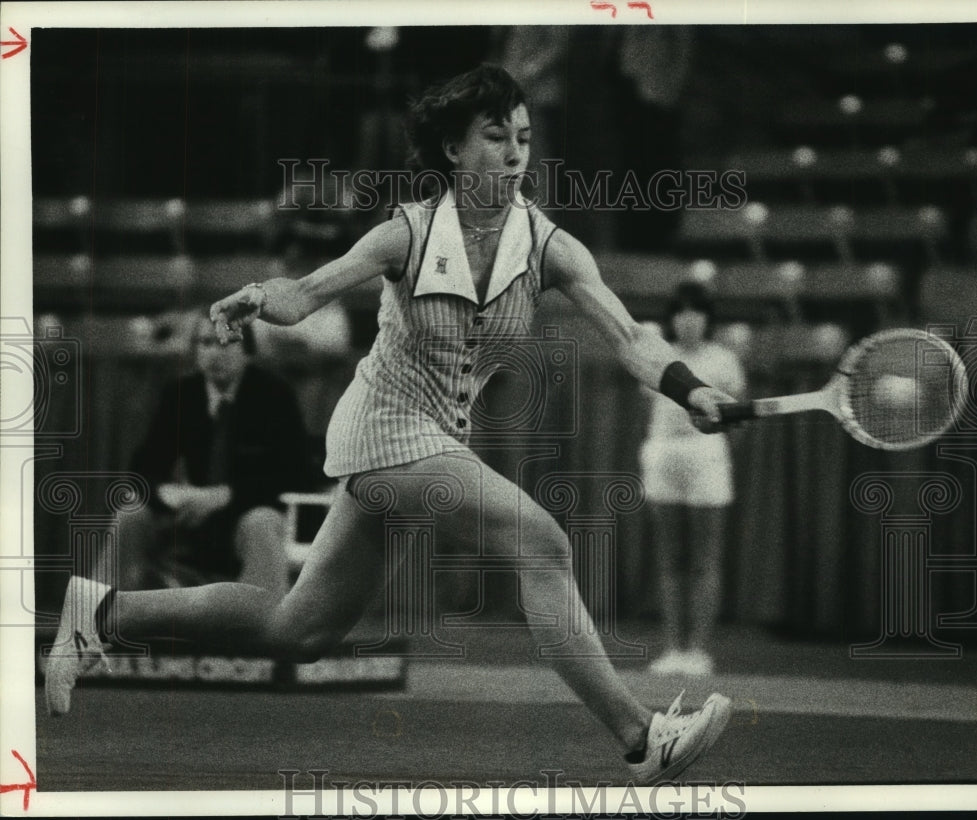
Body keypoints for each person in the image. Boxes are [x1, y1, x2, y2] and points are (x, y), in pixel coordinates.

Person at [46, 65, 736, 784]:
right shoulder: (405, 234)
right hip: (384, 426)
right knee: (544, 543)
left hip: (436, 441)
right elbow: (306, 291)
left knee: (297, 630)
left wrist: (689, 388)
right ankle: (639, 738)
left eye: (523, 138)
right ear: (450, 150)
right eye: (495, 136)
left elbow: (629, 336)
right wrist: (259, 294)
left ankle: (102, 611)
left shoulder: (549, 245)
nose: (513, 153)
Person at [95, 314, 314, 596]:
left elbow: (297, 475)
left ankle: (261, 630)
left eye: (226, 344)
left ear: (247, 352)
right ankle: (100, 621)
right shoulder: (181, 394)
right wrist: (166, 492)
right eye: (206, 343)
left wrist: (226, 495)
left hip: (245, 514)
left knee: (262, 522)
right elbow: (142, 469)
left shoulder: (275, 395)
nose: (214, 353)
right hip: (189, 513)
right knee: (130, 513)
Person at [640, 283, 746, 676]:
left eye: (696, 310)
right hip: (663, 452)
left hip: (707, 457)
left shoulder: (724, 360)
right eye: (681, 311)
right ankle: (672, 649)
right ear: (672, 318)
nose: (688, 318)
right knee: (670, 557)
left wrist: (713, 448)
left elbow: (738, 420)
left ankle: (698, 651)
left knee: (705, 557)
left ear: (707, 318)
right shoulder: (656, 357)